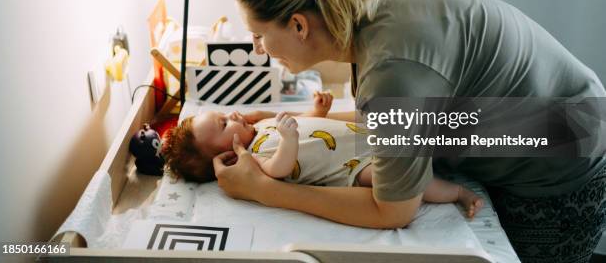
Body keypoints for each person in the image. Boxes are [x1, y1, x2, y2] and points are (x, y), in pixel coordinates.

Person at [213, 0, 606, 263]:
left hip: (564, 153)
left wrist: (264, 189)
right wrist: (295, 119)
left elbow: (394, 211)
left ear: (299, 26)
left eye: (258, 34)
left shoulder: (391, 67)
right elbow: (391, 120)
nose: (256, 48)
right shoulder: (369, 6)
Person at [162, 92, 483, 217]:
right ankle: (457, 192)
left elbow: (305, 122)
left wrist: (316, 110)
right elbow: (279, 169)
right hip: (353, 167)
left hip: (360, 138)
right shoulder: (254, 157)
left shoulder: (261, 127)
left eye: (224, 113)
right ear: (227, 155)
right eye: (223, 124)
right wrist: (287, 139)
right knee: (404, 180)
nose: (232, 115)